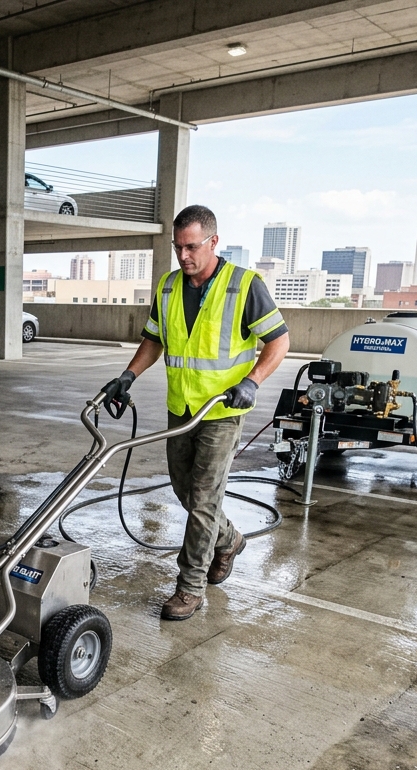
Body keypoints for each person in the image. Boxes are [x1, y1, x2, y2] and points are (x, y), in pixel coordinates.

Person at [100, 204, 290, 620]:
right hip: (181, 407)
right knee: (185, 492)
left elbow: (279, 342)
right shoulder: (168, 287)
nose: (184, 256)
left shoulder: (244, 285)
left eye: (191, 247)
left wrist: (252, 381)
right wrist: (127, 376)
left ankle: (189, 587)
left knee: (203, 499)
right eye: (177, 247)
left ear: (214, 242)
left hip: (222, 410)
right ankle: (231, 540)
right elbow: (154, 340)